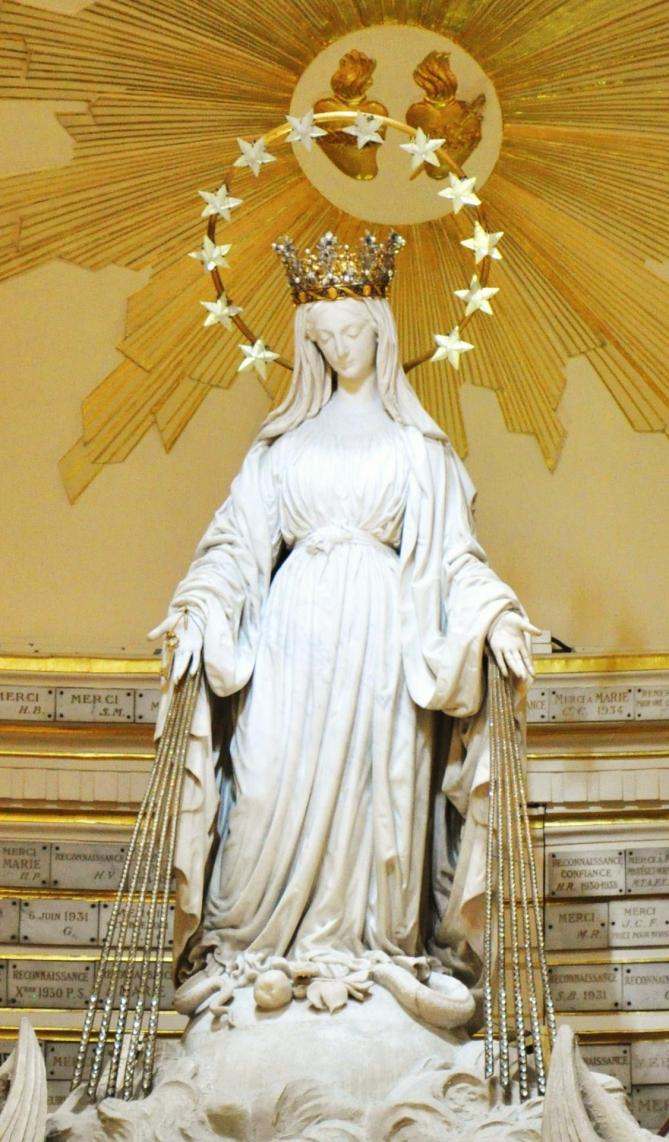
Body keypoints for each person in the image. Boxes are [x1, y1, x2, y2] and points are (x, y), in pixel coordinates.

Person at [149, 233, 536, 1025]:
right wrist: (197, 608)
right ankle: (252, 947)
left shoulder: (417, 449)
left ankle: (367, 956)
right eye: (322, 337)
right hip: (289, 637)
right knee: (260, 786)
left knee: (375, 795)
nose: (338, 347)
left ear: (381, 333)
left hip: (382, 640)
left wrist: (494, 614)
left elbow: (455, 558)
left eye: (351, 331)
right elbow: (233, 550)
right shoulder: (281, 448)